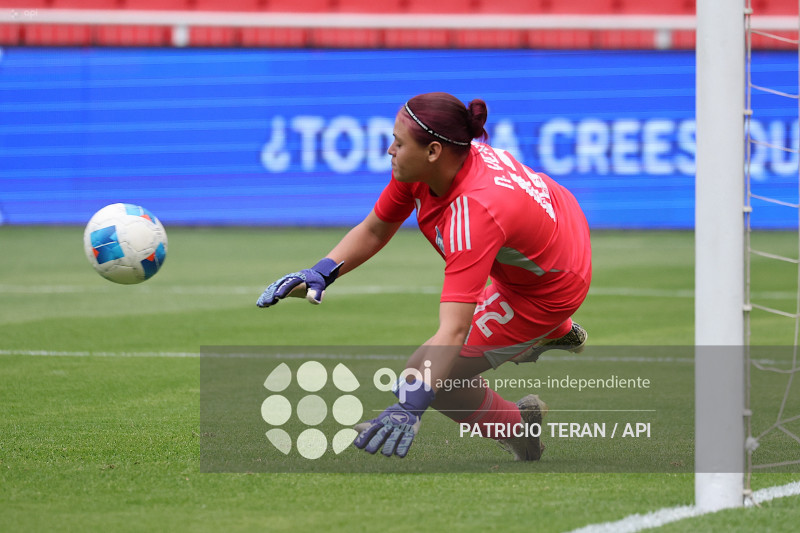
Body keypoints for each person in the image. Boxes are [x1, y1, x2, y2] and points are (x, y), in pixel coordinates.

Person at [257, 92, 591, 461]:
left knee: (425, 376)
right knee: (429, 373)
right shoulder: (432, 167)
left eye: (399, 143)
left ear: (433, 150)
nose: (390, 150)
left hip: (551, 284)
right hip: (556, 224)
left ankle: (518, 420)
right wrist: (320, 273)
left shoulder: (473, 213)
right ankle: (555, 332)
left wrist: (412, 406)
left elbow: (452, 330)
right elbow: (375, 229)